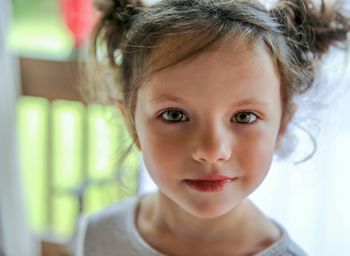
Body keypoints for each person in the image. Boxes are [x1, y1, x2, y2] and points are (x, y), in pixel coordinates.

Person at [77, 0, 350, 255]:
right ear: (131, 123)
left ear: (282, 125)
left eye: (244, 117)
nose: (211, 151)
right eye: (174, 115)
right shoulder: (96, 236)